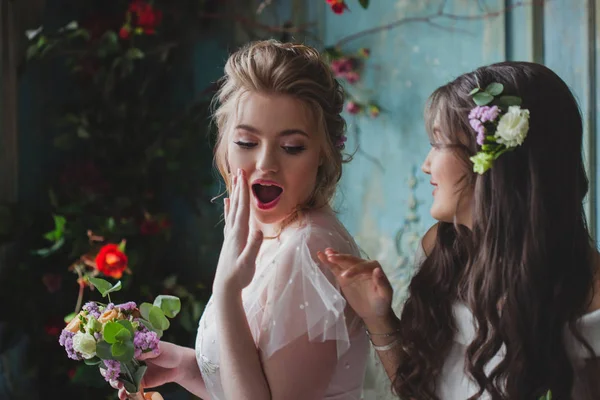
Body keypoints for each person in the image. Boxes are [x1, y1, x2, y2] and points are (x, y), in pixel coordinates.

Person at [319, 62, 600, 399]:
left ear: (493, 160)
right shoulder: (442, 250)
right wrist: (377, 318)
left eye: (438, 144)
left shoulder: (592, 292)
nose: (426, 165)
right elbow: (420, 390)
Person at [113, 39, 369, 400]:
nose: (266, 164)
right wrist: (187, 367)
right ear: (223, 145)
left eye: (292, 147)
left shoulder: (308, 249)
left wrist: (227, 290)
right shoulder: (269, 231)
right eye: (247, 142)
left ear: (323, 156)